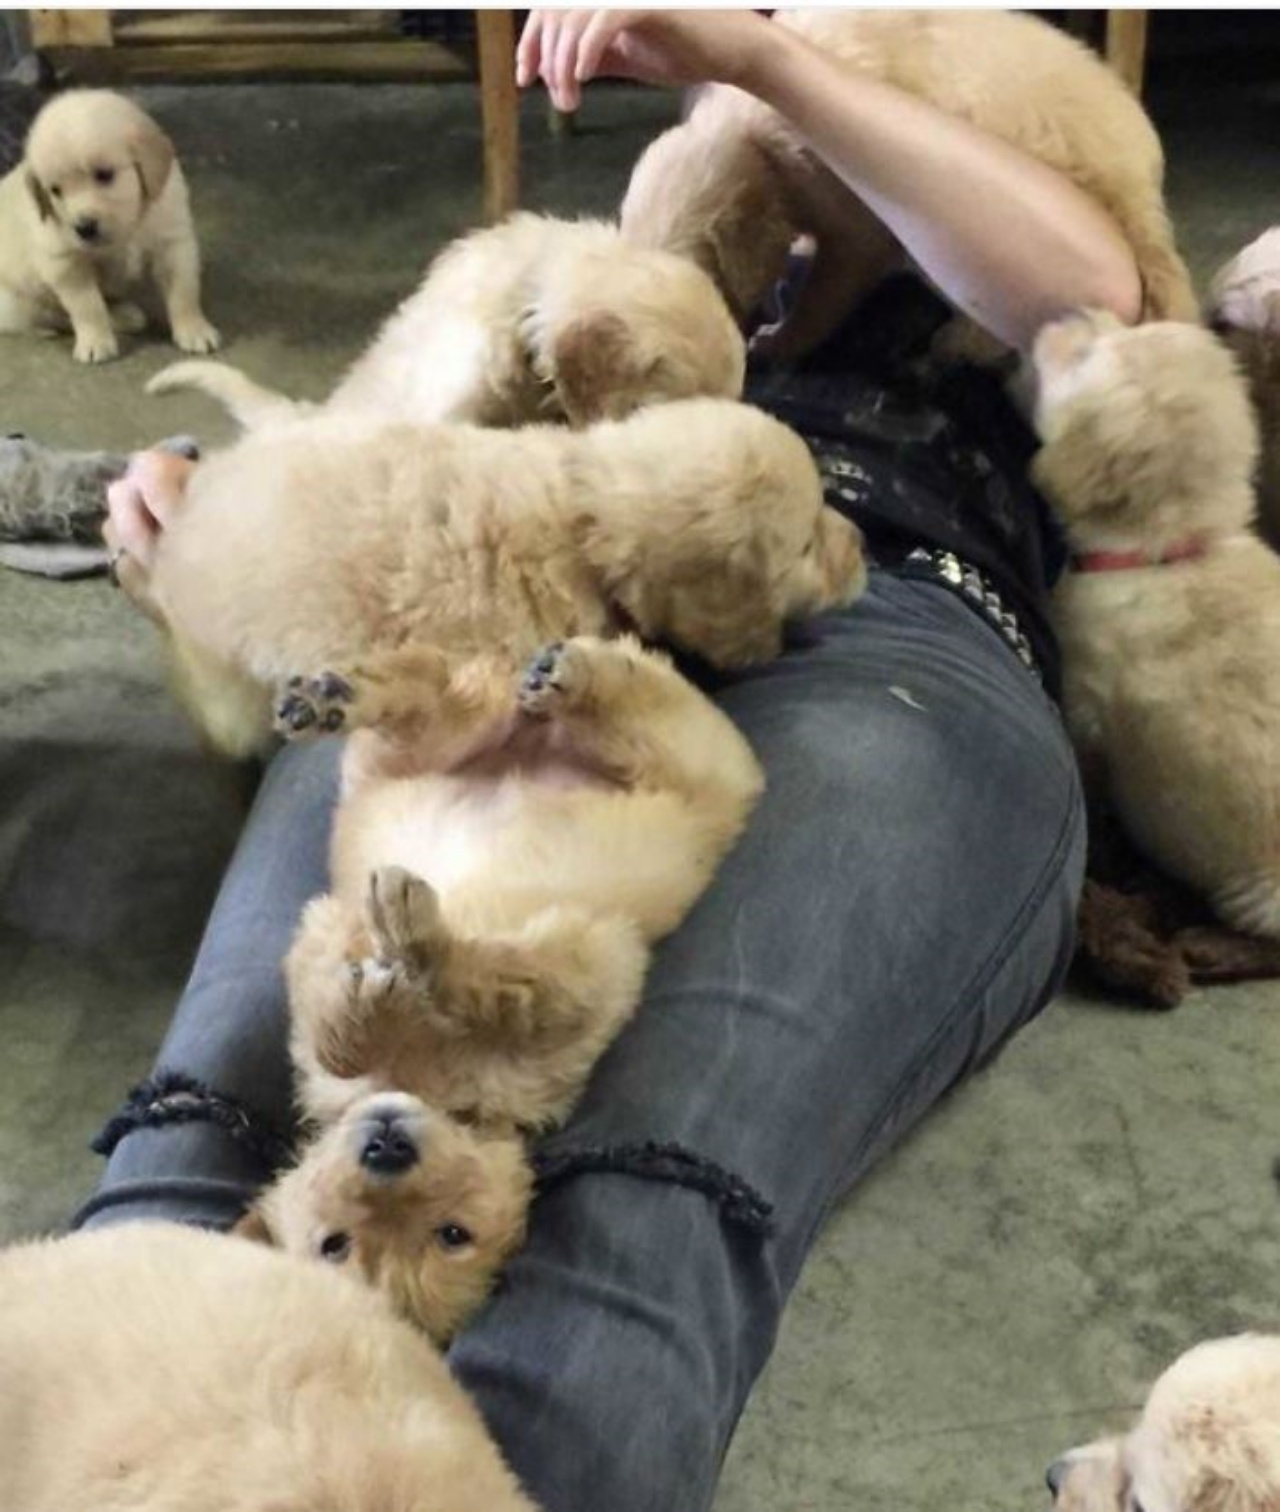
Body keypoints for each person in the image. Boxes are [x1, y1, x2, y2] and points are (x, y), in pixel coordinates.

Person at [76, 12, 1140, 1511]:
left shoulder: (976, 117)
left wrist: (774, 63)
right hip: (508, 572)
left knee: (649, 1172)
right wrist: (217, 507)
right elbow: (395, 416)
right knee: (241, 1104)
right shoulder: (638, 229)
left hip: (894, 611)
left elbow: (1088, 291)